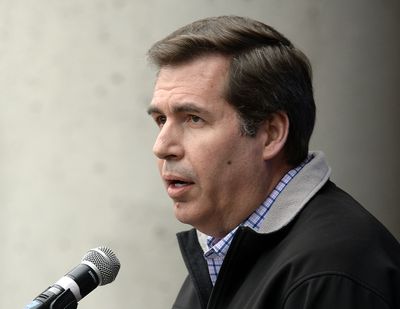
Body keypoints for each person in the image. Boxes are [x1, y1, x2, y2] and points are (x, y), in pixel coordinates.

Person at [146, 16, 400, 309]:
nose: (162, 146)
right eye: (161, 120)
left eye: (194, 119)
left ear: (271, 134)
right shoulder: (221, 255)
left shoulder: (332, 272)